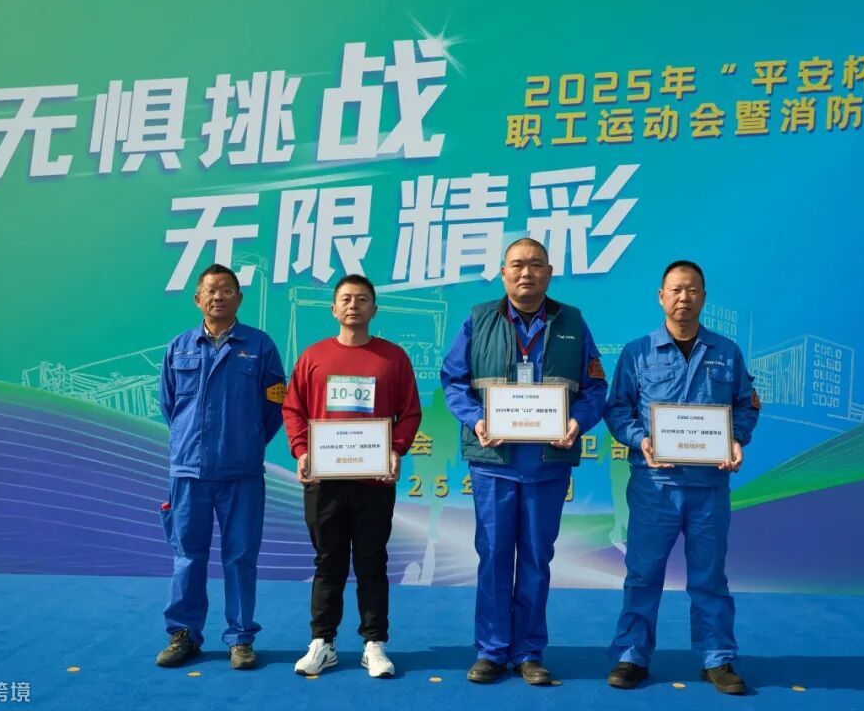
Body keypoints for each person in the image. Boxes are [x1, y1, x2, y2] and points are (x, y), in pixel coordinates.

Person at [440, 238, 608, 685]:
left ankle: (529, 652)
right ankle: (492, 651)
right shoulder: (479, 319)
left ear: (549, 273)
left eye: (536, 265)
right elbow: (453, 381)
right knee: (494, 557)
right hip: (493, 460)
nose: (526, 273)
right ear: (503, 273)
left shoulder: (573, 322)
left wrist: (577, 422)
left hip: (547, 463)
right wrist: (476, 420)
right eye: (517, 265)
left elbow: (595, 387)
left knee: (536, 558)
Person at [603, 260, 760, 694]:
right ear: (661, 297)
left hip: (709, 488)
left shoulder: (727, 352)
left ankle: (717, 658)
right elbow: (617, 409)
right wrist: (641, 440)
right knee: (642, 574)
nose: (683, 298)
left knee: (710, 578)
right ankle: (632, 655)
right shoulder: (637, 353)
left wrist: (736, 439)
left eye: (692, 290)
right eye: (675, 290)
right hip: (655, 487)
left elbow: (746, 405)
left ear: (703, 297)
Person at [282, 274, 422, 678]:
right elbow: (293, 409)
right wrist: (302, 451)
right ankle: (322, 642)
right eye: (345, 299)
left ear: (374, 309)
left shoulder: (393, 358)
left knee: (371, 562)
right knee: (328, 562)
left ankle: (374, 644)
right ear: (333, 309)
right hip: (324, 482)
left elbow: (410, 412)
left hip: (373, 482)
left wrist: (395, 449)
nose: (353, 305)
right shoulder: (313, 357)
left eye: (362, 299)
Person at [155, 263, 286, 670]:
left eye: (227, 289)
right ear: (197, 299)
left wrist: (244, 442)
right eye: (210, 290)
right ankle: (183, 633)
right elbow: (170, 406)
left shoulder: (260, 346)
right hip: (189, 471)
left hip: (241, 473)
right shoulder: (179, 347)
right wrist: (192, 443)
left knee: (241, 557)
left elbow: (274, 406)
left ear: (239, 298)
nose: (218, 296)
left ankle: (241, 637)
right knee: (187, 555)